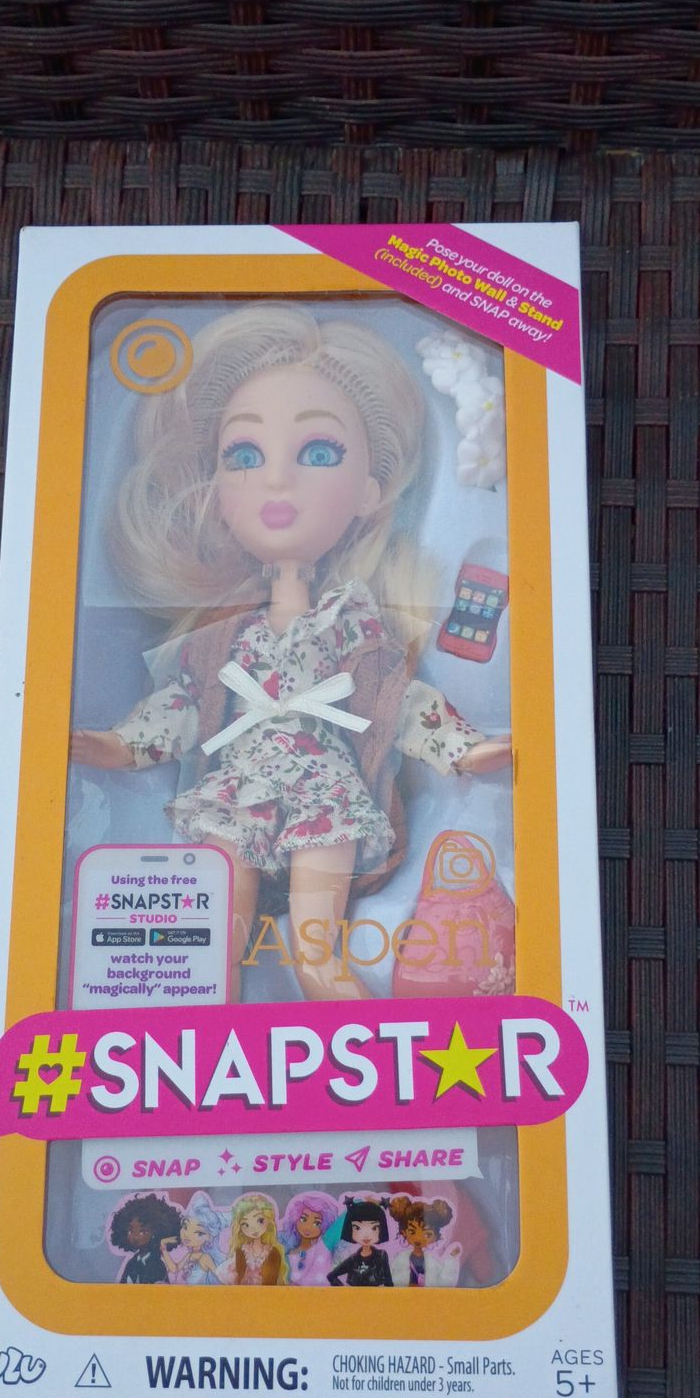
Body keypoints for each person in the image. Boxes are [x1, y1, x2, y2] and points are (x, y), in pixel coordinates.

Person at [70, 305, 510, 1001]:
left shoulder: (354, 626)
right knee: (213, 947)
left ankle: (339, 1007)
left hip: (325, 790)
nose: (276, 480)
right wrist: (118, 746)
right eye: (243, 457)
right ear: (216, 490)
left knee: (316, 954)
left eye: (319, 453)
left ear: (371, 488)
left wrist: (463, 749)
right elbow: (184, 705)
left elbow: (397, 702)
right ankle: (209, 1020)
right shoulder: (222, 637)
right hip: (237, 788)